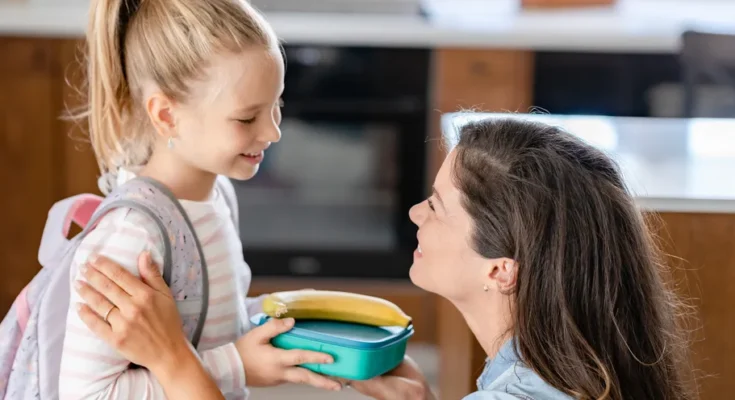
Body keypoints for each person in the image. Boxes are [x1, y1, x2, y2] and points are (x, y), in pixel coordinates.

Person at [74, 116, 697, 399]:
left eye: (437, 205)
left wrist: (173, 363)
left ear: (501, 268)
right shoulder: (559, 372)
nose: (414, 215)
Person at [60, 0, 341, 399]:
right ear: (166, 116)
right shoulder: (131, 236)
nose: (273, 133)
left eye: (275, 106)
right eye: (247, 118)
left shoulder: (219, 194)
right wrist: (236, 366)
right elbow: (85, 393)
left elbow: (210, 327)